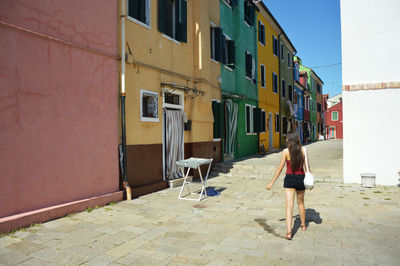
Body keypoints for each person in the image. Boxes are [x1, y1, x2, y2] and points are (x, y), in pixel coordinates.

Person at [266, 132, 311, 240]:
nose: (286, 139)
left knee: (289, 205)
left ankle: (289, 232)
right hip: (301, 179)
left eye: (286, 138)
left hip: (289, 179)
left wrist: (271, 182)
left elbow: (280, 168)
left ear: (289, 140)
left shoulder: (286, 152)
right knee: (301, 203)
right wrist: (310, 181)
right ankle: (303, 225)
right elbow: (308, 168)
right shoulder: (303, 150)